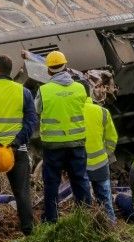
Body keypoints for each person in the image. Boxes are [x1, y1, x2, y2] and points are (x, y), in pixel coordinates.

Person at [0, 55, 37, 235]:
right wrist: (16, 142)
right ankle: (28, 231)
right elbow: (31, 121)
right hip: (16, 150)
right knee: (22, 193)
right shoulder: (23, 91)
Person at [35, 51, 93, 222]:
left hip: (53, 146)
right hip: (76, 144)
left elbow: (37, 110)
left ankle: (51, 219)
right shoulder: (80, 88)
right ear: (65, 67)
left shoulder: (44, 91)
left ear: (49, 70)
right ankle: (87, 218)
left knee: (52, 184)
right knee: (80, 180)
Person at [83, 92, 118, 224]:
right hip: (100, 163)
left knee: (83, 203)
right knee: (105, 199)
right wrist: (106, 153)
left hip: (80, 165)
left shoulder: (72, 112)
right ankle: (111, 224)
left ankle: (87, 227)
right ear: (89, 94)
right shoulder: (103, 112)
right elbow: (112, 138)